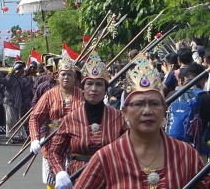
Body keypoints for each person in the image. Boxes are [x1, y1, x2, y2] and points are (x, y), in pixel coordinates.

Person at [75, 57, 210, 189]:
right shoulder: (106, 158)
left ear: (165, 109)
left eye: (154, 103)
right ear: (125, 112)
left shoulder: (186, 155)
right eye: (139, 104)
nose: (147, 111)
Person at [49, 54, 127, 189]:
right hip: (79, 179)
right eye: (89, 84)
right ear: (83, 88)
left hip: (110, 179)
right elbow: (54, 152)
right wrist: (60, 172)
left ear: (105, 89)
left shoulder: (118, 117)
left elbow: (132, 147)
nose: (94, 89)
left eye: (99, 84)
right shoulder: (71, 118)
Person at [29, 56, 84, 189]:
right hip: (51, 142)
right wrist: (35, 139)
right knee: (52, 181)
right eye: (63, 74)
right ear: (57, 76)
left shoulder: (83, 95)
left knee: (74, 180)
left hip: (75, 143)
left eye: (69, 74)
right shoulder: (49, 95)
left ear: (75, 77)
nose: (66, 77)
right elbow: (35, 117)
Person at [4, 61, 27, 144]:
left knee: (18, 120)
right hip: (10, 102)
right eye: (21, 70)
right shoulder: (10, 78)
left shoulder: (20, 79)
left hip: (18, 102)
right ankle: (11, 136)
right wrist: (10, 74)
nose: (23, 72)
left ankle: (19, 136)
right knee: (10, 120)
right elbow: (5, 83)